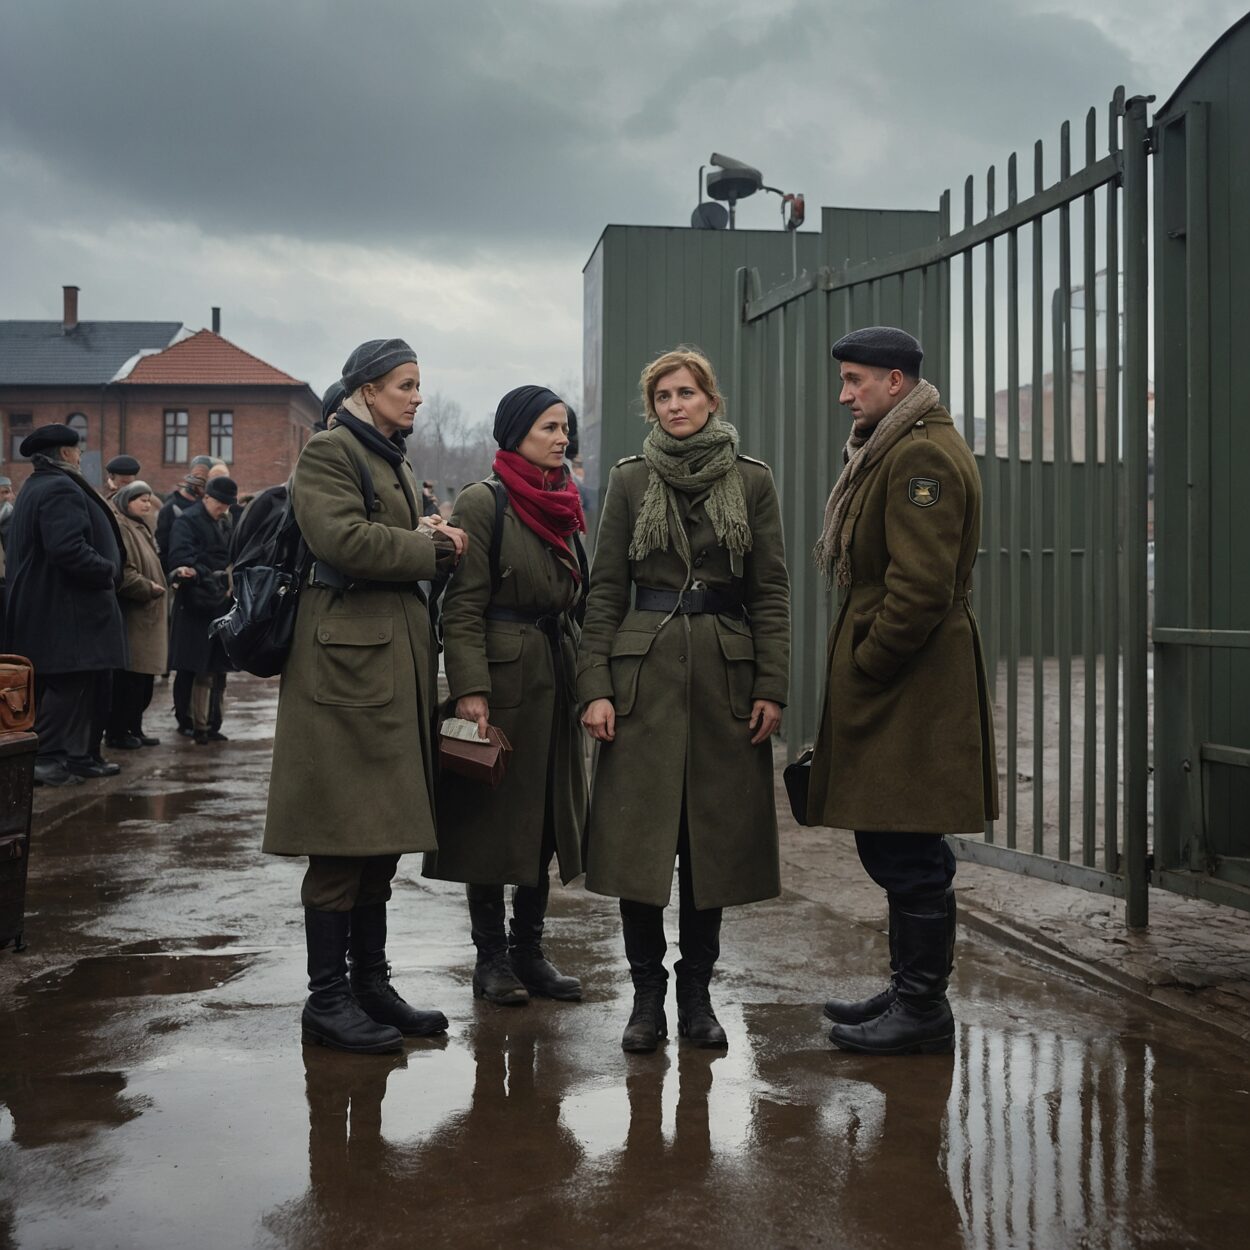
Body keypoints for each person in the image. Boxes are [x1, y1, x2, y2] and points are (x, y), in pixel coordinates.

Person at [577, 347, 790, 1053]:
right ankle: (647, 999)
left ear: (711, 400)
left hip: (725, 684)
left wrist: (771, 685)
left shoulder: (752, 482)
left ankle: (697, 995)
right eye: (663, 395)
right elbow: (604, 589)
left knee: (713, 849)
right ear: (652, 408)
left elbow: (770, 592)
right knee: (641, 848)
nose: (675, 404)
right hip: (643, 686)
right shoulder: (631, 481)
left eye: (687, 392)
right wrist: (597, 687)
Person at [262, 337, 468, 1054]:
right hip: (344, 672)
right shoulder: (331, 452)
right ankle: (327, 1000)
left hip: (385, 666)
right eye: (406, 384)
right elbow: (342, 541)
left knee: (379, 834)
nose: (416, 396)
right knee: (341, 835)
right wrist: (432, 547)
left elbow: (383, 533)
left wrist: (422, 533)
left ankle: (370, 985)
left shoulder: (388, 455)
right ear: (368, 389)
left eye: (419, 384)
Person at [808, 327, 998, 1057]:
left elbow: (921, 587)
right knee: (897, 838)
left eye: (855, 380)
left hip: (908, 681)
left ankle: (923, 1007)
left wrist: (868, 662)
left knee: (908, 847)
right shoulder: (896, 442)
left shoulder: (919, 454)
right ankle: (911, 988)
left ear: (895, 382)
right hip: (900, 680)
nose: (844, 393)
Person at [423, 385, 589, 1006]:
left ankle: (530, 952)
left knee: (545, 819)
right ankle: (491, 959)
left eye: (565, 428)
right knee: (496, 822)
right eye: (550, 427)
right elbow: (460, 608)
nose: (561, 437)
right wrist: (471, 690)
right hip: (505, 679)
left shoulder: (564, 502)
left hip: (557, 675)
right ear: (517, 432)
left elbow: (584, 595)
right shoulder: (484, 501)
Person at [2, 423, 126, 787]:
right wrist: (107, 571)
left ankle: (75, 756)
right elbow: (68, 549)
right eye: (77, 450)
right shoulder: (58, 487)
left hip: (53, 608)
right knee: (66, 685)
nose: (80, 456)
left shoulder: (37, 485)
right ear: (64, 454)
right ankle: (48, 758)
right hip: (66, 610)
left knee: (72, 685)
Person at [166, 476, 237, 745]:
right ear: (207, 497)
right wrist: (213, 576)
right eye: (220, 503)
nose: (224, 509)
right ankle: (192, 722)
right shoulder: (187, 521)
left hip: (218, 606)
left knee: (216, 668)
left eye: (227, 504)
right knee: (194, 668)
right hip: (197, 605)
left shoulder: (223, 521)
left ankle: (210, 722)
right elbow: (182, 559)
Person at [106, 482, 173, 748]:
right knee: (130, 679)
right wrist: (148, 588)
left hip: (149, 614)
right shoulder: (122, 527)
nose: (146, 504)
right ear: (126, 501)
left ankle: (135, 728)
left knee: (144, 680)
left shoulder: (141, 526)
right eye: (140, 500)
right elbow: (124, 571)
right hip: (136, 615)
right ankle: (119, 732)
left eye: (148, 499)